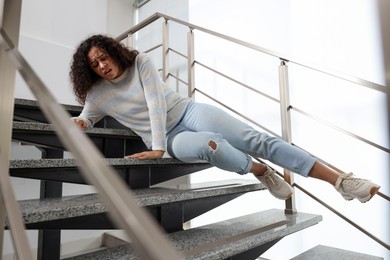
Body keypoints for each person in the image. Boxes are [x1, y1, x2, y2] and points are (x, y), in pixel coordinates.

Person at [70, 34, 380, 203]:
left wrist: (158, 147)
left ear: (113, 51)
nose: (101, 66)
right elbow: (88, 115)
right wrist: (81, 122)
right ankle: (261, 170)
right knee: (211, 146)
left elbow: (154, 103)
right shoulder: (98, 94)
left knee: (255, 139)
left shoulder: (142, 63)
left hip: (187, 111)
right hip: (170, 137)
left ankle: (341, 181)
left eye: (103, 57)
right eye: (94, 64)